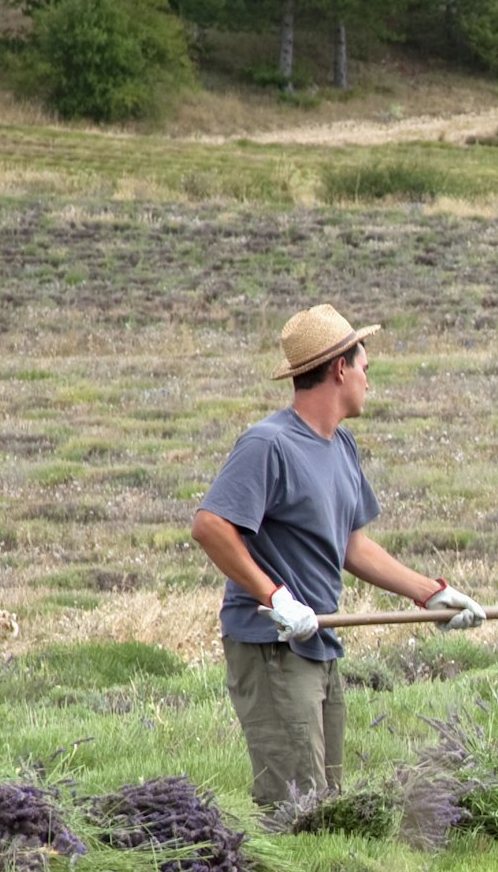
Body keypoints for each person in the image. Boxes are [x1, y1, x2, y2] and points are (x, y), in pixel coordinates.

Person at [187, 304, 482, 812]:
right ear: (340, 369)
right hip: (274, 646)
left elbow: (352, 545)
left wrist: (431, 594)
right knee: (295, 806)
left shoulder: (341, 446)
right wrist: (276, 597)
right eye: (365, 367)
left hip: (318, 641)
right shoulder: (269, 444)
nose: (369, 379)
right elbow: (210, 526)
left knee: (326, 798)